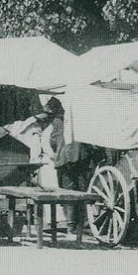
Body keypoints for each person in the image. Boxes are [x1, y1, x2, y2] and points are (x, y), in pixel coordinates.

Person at [50, 98, 92, 235]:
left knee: (68, 190)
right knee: (82, 190)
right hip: (81, 157)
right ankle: (82, 222)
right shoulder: (83, 119)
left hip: (65, 159)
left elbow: (53, 140)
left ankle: (71, 224)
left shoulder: (57, 121)